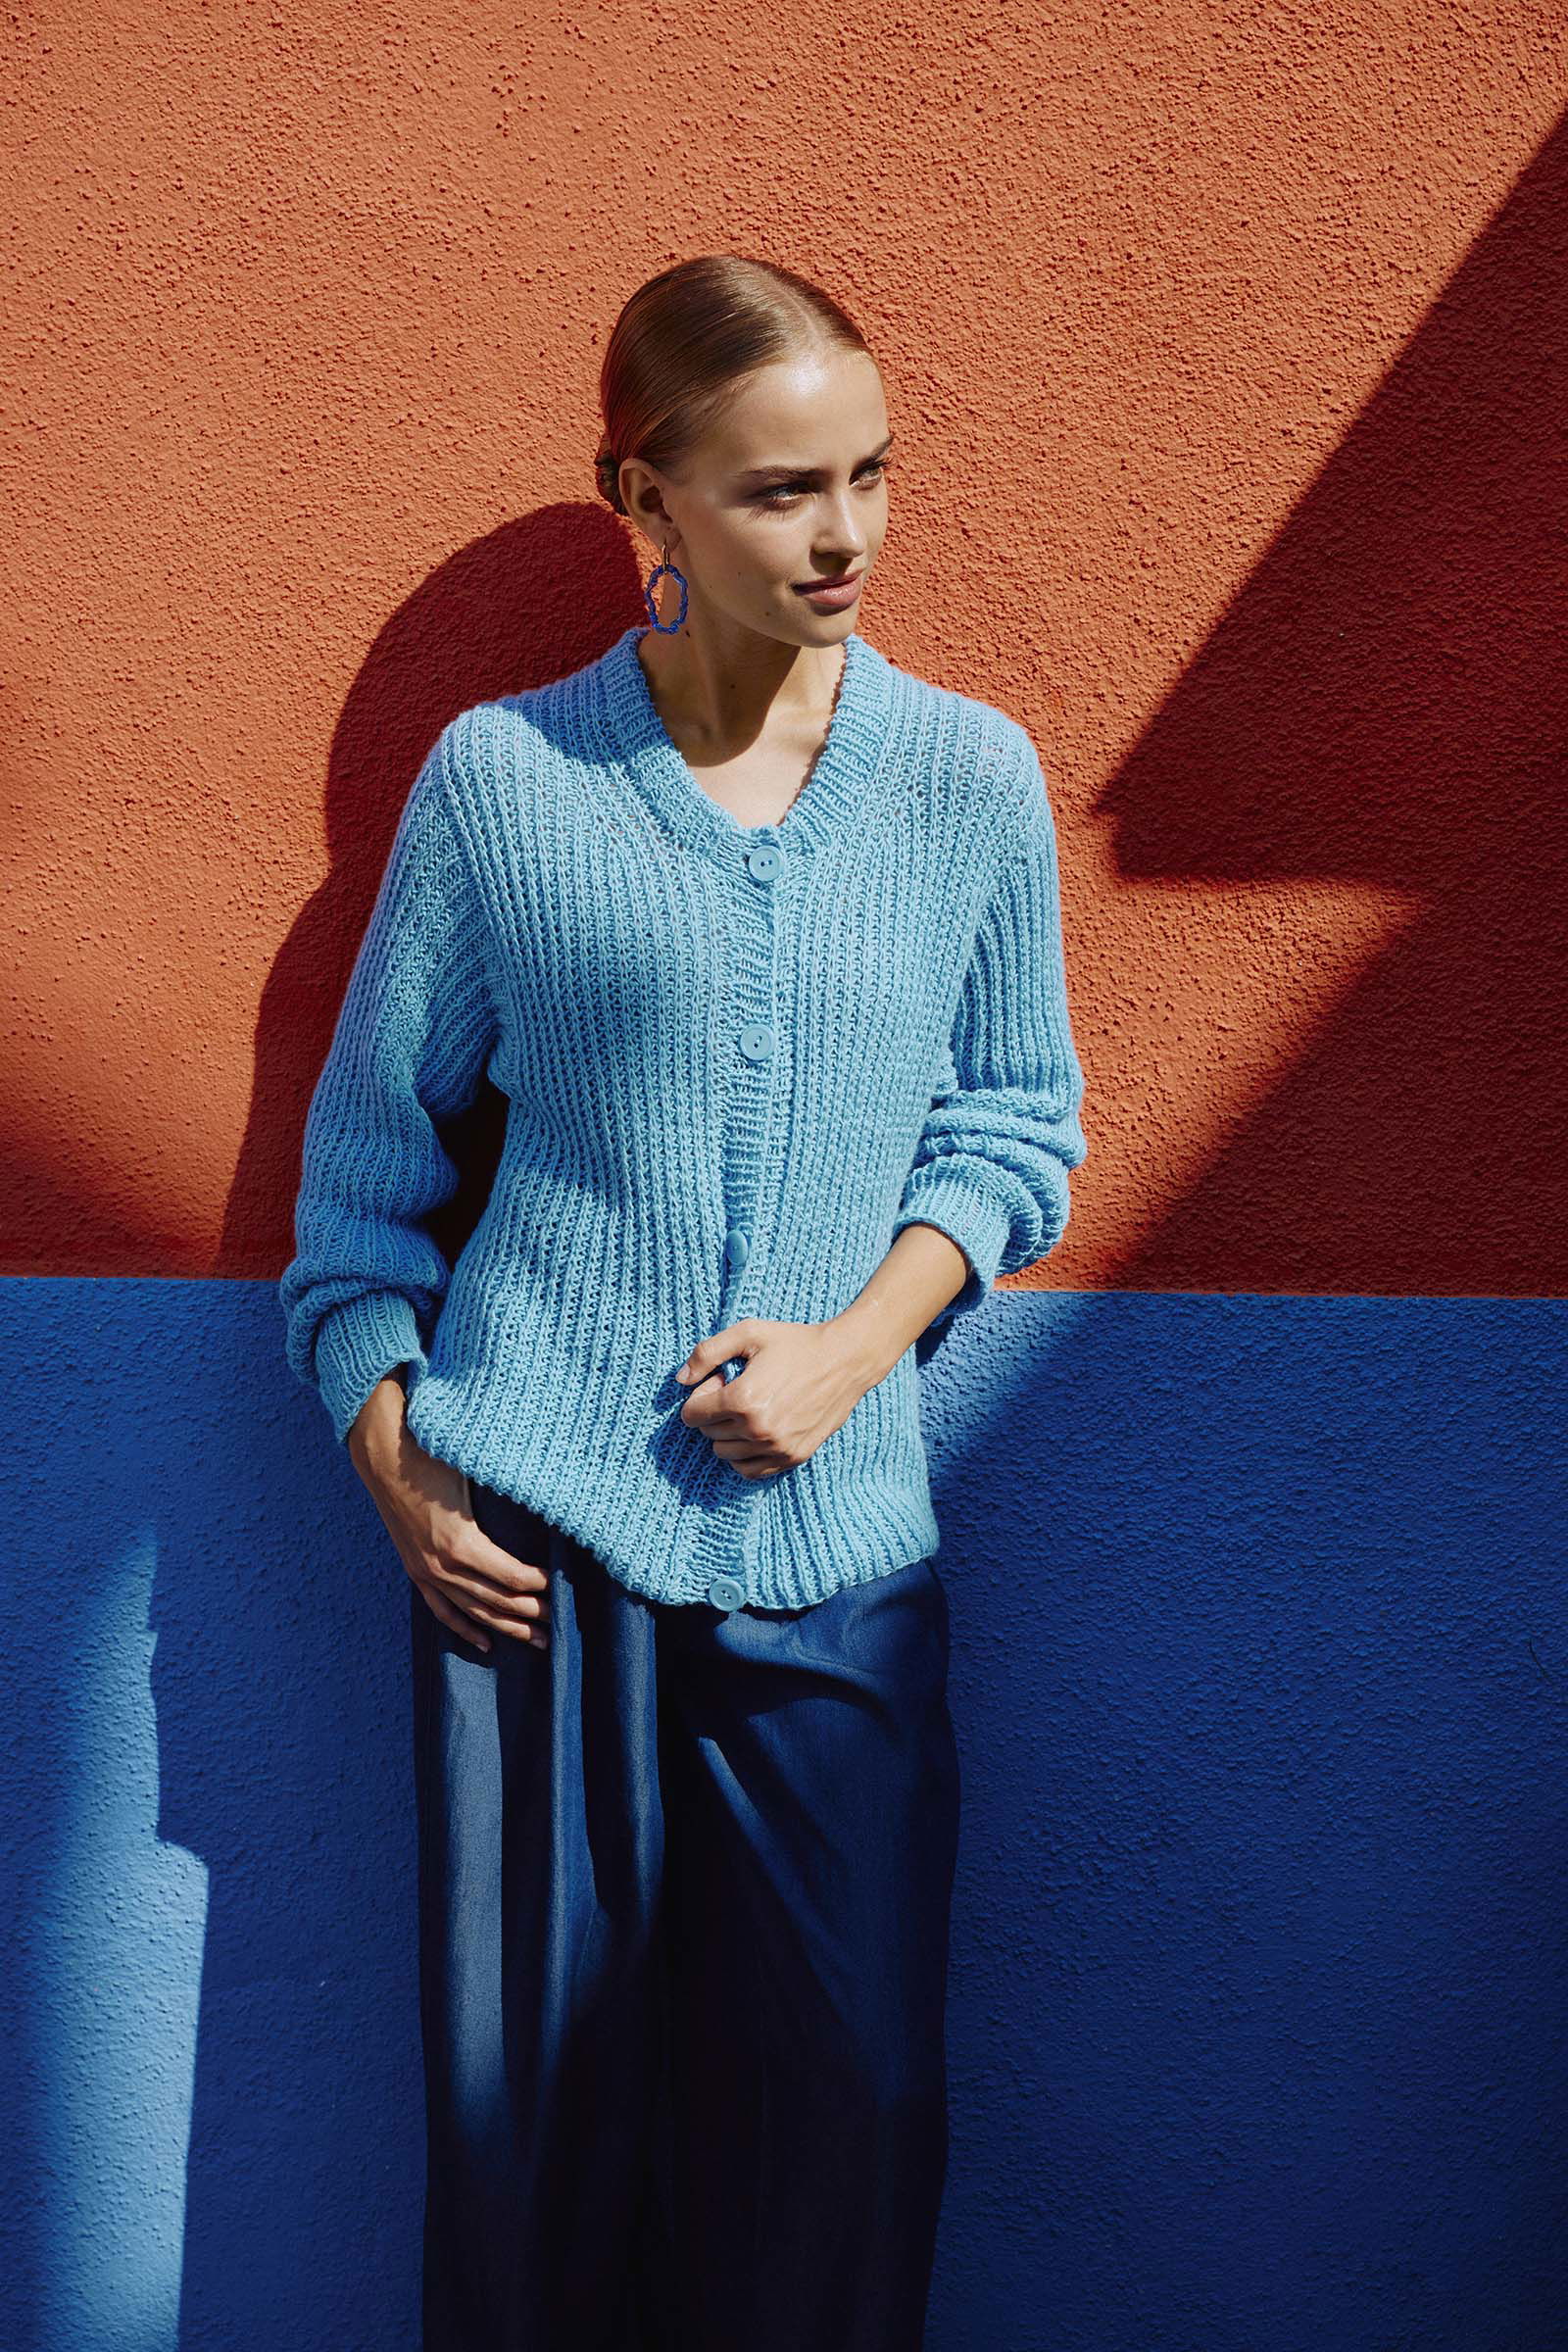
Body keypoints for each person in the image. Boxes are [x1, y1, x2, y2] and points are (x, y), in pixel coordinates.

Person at [279, 252, 1089, 2352]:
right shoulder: (504, 783)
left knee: (851, 2108)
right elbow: (360, 1196)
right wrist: (393, 1460)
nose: (843, 534)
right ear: (641, 497)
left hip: (839, 1543)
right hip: (531, 1555)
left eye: (870, 475)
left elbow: (1017, 1129)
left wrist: (850, 1353)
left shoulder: (967, 780)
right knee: (534, 2143)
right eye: (779, 489)